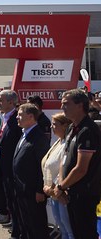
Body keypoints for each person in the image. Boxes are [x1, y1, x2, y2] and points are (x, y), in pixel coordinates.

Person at [54, 89, 101, 238]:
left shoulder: (88, 130)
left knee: (85, 233)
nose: (62, 107)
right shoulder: (71, 128)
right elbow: (64, 159)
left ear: (80, 105)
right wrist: (61, 185)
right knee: (74, 231)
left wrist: (61, 186)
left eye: (66, 104)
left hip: (84, 194)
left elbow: (81, 169)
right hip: (70, 191)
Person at [11, 103, 50, 238]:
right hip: (21, 188)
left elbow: (42, 166)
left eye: (20, 115)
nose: (17, 117)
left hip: (33, 191)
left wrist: (40, 190)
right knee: (25, 224)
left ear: (31, 116)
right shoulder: (24, 134)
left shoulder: (38, 137)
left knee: (36, 225)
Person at [42, 113, 74, 239]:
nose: (51, 127)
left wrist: (57, 188)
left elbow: (65, 168)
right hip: (53, 192)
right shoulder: (58, 142)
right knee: (63, 229)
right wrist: (47, 186)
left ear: (65, 125)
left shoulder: (68, 143)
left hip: (61, 193)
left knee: (69, 230)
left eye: (54, 124)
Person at [0, 90, 22, 231]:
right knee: (8, 195)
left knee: (14, 196)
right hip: (3, 162)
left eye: (1, 100)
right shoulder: (4, 116)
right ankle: (13, 221)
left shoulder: (17, 118)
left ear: (11, 102)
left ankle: (18, 226)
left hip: (13, 165)